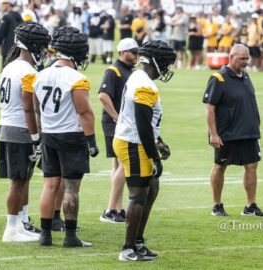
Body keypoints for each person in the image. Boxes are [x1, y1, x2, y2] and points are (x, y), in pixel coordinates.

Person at [33, 30, 98, 247]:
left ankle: (45, 235)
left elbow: (35, 109)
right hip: (71, 135)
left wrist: (41, 132)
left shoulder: (41, 74)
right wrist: (91, 141)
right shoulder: (77, 78)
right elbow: (84, 112)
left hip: (49, 134)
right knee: (71, 187)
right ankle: (70, 237)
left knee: (49, 185)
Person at [113, 40, 175, 261]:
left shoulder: (139, 77)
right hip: (133, 142)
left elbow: (146, 123)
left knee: (152, 188)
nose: (167, 69)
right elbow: (141, 123)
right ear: (155, 61)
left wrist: (158, 140)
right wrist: (154, 155)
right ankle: (128, 249)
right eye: (165, 64)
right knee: (138, 195)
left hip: (133, 139)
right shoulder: (144, 85)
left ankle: (138, 241)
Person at [0, 23, 50, 242]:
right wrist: (36, 136)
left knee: (23, 178)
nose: (44, 50)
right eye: (41, 45)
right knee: (18, 181)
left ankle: (20, 223)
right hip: (20, 128)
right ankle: (11, 229)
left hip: (8, 125)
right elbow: (29, 108)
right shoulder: (27, 71)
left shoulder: (9, 67)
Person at [202, 44, 263, 217]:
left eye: (247, 59)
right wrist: (213, 134)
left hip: (249, 131)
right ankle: (217, 206)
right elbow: (210, 109)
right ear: (231, 57)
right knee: (220, 166)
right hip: (227, 133)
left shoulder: (246, 76)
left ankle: (250, 206)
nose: (245, 62)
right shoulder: (219, 78)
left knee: (252, 166)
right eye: (242, 59)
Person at [98, 38, 139, 223]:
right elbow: (103, 96)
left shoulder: (130, 71)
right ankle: (110, 210)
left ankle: (117, 208)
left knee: (118, 166)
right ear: (123, 52)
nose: (136, 55)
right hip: (115, 123)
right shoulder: (113, 71)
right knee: (124, 165)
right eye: (133, 52)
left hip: (123, 123)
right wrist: (117, 117)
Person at [0, 0, 23, 68]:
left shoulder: (6, 17)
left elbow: (0, 35)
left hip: (8, 52)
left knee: (5, 73)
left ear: (8, 4)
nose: (1, 6)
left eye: (3, 4)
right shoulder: (20, 17)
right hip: (18, 51)